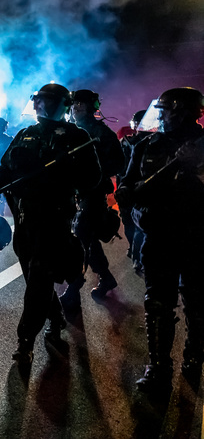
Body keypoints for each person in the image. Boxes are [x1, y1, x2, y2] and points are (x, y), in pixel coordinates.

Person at [0, 83, 100, 365]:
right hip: (25, 216)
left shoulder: (76, 136)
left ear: (58, 104)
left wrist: (66, 167)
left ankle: (25, 340)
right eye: (36, 100)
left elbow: (92, 179)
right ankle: (55, 318)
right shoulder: (26, 133)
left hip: (55, 217)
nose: (36, 105)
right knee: (34, 277)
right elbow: (6, 168)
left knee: (40, 273)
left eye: (43, 100)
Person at [115, 87, 204, 394]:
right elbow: (127, 183)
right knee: (157, 302)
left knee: (197, 301)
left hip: (196, 236)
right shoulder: (148, 144)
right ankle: (159, 367)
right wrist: (127, 193)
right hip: (159, 235)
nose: (161, 117)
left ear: (182, 112)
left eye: (166, 111)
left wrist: (195, 170)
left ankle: (194, 356)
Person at [60, 89, 124, 305]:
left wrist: (92, 170)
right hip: (71, 192)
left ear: (91, 107)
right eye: (73, 104)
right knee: (89, 239)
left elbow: (118, 163)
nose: (75, 108)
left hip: (92, 193)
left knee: (80, 237)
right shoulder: (68, 130)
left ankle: (73, 288)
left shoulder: (101, 133)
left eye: (80, 104)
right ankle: (106, 278)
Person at [117, 110, 150, 273]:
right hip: (131, 188)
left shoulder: (147, 142)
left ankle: (137, 256)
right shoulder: (129, 142)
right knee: (133, 225)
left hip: (137, 190)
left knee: (135, 225)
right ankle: (136, 255)